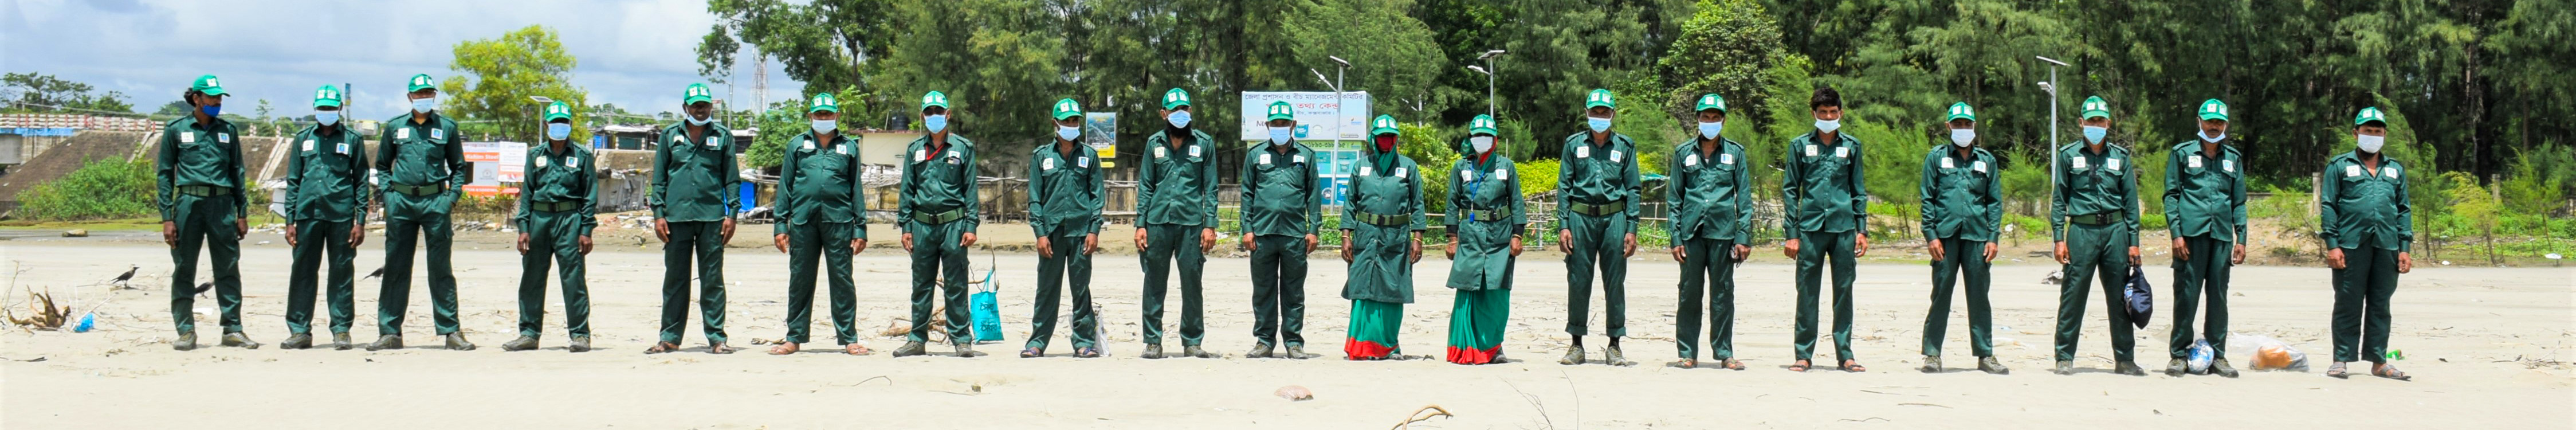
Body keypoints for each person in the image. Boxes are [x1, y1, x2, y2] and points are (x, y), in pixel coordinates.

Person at [369, 74, 473, 351]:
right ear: (409, 97)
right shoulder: (394, 127)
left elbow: (459, 167)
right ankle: (390, 332)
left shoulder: (447, 127)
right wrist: (389, 197)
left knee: (440, 269)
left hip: (435, 203)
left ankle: (451, 331)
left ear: (434, 96)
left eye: (429, 92)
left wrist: (451, 198)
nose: (424, 97)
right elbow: (381, 165)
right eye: (419, 93)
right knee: (396, 267)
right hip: (401, 203)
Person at [2049, 96, 2147, 376]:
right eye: (2091, 120)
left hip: (2116, 231)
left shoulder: (2120, 157)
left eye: (2100, 121)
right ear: (2082, 123)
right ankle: (2064, 356)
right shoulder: (2068, 156)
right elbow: (2059, 199)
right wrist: (2059, 237)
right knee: (2073, 294)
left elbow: (2130, 203)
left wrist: (2134, 243)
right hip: (2081, 231)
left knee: (2119, 297)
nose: (2096, 125)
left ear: (2108, 123)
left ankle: (2125, 359)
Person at [768, 92, 869, 356]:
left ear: (837, 115)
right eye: (819, 114)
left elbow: (856, 188)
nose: (824, 118)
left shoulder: (849, 147)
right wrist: (781, 225)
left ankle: (849, 338)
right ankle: (794, 337)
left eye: (828, 114)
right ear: (810, 116)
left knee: (843, 280)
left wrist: (861, 228)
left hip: (840, 222)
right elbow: (785, 187)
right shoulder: (797, 145)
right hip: (803, 221)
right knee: (800, 280)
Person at [159, 75, 253, 351]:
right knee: (184, 268)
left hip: (223, 205)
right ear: (197, 98)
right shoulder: (176, 129)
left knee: (227, 268)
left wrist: (242, 212)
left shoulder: (228, 130)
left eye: (219, 97)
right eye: (211, 97)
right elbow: (165, 174)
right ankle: (186, 331)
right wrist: (167, 217)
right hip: (189, 203)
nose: (217, 102)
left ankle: (233, 329)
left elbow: (238, 172)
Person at [2319, 107, 2414, 381]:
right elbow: (2328, 205)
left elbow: (2404, 209)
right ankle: (2341, 360)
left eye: (2377, 131)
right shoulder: (2339, 166)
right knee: (2348, 302)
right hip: (2350, 245)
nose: (2372, 136)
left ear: (2385, 134)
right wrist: (2332, 244)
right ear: (2356, 133)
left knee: (2380, 304)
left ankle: (2379, 361)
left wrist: (2405, 248)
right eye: (2367, 131)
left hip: (2387, 245)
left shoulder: (2394, 169)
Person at [646, 83, 741, 354]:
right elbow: (660, 179)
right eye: (696, 105)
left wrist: (732, 214)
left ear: (711, 107)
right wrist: (658, 215)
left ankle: (717, 338)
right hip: (676, 219)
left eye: (705, 105)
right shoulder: (669, 136)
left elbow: (731, 179)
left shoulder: (723, 136)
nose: (701, 109)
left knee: (712, 278)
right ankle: (670, 338)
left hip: (712, 218)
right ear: (685, 107)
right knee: (675, 279)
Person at [1781, 86, 1870, 373]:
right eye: (1823, 112)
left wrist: (1862, 229)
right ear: (1814, 114)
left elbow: (1858, 190)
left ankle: (1845, 354)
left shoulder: (1852, 146)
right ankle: (1804, 354)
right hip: (1810, 230)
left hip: (1844, 229)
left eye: (1833, 112)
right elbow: (1791, 191)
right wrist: (1792, 234)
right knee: (1807, 292)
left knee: (1844, 291)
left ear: (1841, 113)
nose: (1829, 116)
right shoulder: (1799, 146)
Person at [1554, 88, 1642, 366]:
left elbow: (1634, 188)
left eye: (1605, 112)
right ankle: (1576, 344)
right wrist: (1563, 225)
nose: (1600, 116)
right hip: (1580, 218)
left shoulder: (1624, 147)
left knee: (1615, 282)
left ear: (1613, 114)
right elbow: (1564, 187)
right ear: (1586, 113)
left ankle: (1615, 344)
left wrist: (1632, 228)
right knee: (1579, 281)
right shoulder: (1573, 144)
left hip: (1614, 218)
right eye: (1595, 112)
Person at [1918, 102, 2006, 374]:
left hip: (1978, 237)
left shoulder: (1986, 160)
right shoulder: (1936, 157)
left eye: (1967, 124)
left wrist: (1993, 237)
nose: (1963, 129)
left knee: (1980, 296)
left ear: (1974, 126)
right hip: (1945, 238)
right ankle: (1932, 355)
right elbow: (1927, 199)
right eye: (1957, 124)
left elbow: (1994, 202)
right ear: (1949, 127)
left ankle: (1985, 354)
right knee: (1941, 293)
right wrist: (1931, 236)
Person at [502, 101, 598, 353]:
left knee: (574, 279)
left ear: (571, 125)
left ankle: (580, 335)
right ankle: (529, 334)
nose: (559, 127)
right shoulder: (535, 156)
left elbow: (590, 196)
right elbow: (527, 194)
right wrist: (523, 228)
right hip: (539, 221)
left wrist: (586, 230)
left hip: (570, 221)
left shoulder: (583, 156)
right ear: (546, 125)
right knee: (532, 278)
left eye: (564, 122)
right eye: (555, 123)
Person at [2163, 98, 2248, 378]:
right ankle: (2178, 354)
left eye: (2219, 122)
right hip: (2191, 236)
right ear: (2199, 122)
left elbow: (2239, 202)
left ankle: (2217, 355)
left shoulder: (2233, 158)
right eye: (2209, 121)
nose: (2214, 126)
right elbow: (2172, 196)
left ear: (2226, 125)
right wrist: (2177, 234)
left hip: (2221, 236)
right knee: (2186, 295)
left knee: (2219, 297)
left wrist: (2242, 238)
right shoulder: (2182, 153)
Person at [1666, 94, 1752, 370]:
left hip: (1723, 233)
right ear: (1698, 120)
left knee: (1723, 294)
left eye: (1716, 118)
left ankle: (1724, 352)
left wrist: (1743, 236)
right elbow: (1674, 199)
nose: (1711, 122)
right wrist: (1675, 236)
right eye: (1706, 117)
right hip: (1692, 234)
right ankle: (1687, 352)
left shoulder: (1735, 153)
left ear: (1723, 120)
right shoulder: (1683, 154)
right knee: (1689, 293)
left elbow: (1745, 198)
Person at [895, 90, 983, 358]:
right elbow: (907, 190)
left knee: (957, 284)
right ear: (923, 116)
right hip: (922, 226)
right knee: (921, 284)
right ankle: (916, 340)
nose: (934, 116)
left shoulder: (963, 148)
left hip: (954, 225)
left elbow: (971, 189)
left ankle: (961, 340)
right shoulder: (914, 150)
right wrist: (906, 227)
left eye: (939, 111)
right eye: (929, 112)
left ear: (949, 114)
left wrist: (971, 225)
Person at [279, 85, 368, 350]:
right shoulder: (303, 139)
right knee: (303, 272)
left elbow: (361, 181)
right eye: (322, 108)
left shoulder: (352, 140)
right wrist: (289, 221)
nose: (326, 113)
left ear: (340, 109)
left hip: (341, 215)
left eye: (331, 108)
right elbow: (293, 180)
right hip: (307, 215)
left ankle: (341, 329)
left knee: (341, 273)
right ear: (315, 109)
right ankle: (299, 331)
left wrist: (360, 220)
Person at [1133, 88, 1220, 359]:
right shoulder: (1153, 144)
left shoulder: (1204, 143)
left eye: (1185, 109)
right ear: (1164, 114)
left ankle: (1192, 341)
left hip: (1191, 224)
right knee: (1154, 282)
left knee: (1192, 283)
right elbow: (1146, 185)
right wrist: (1140, 224)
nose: (1180, 115)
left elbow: (1211, 187)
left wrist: (1210, 225)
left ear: (1190, 112)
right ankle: (1152, 341)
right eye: (1175, 110)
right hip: (1158, 222)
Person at [1239, 101, 1324, 359]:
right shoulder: (1255, 155)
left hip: (1295, 235)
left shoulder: (1306, 156)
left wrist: (1313, 230)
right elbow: (1247, 194)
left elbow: (1314, 196)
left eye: (1284, 123)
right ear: (1267, 126)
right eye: (1275, 124)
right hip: (1262, 234)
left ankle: (1294, 342)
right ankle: (1264, 341)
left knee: (1294, 291)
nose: (1279, 128)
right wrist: (1247, 228)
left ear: (1293, 125)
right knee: (1263, 290)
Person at [1023, 97, 1105, 358]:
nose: (1072, 125)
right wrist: (1040, 233)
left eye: (1075, 120)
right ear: (1055, 123)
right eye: (1067, 121)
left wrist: (1094, 230)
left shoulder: (1089, 156)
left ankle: (1083, 342)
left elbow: (1097, 197)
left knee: (1081, 289)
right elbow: (1035, 198)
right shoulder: (1041, 157)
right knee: (1047, 288)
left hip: (1081, 233)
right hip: (1052, 233)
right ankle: (1037, 342)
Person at [1443, 115, 1523, 365]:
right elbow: (1452, 204)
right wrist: (1452, 237)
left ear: (1495, 139)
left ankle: (1494, 347)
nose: (1482, 141)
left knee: (1497, 294)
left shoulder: (1506, 167)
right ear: (1471, 139)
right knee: (1469, 289)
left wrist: (1517, 235)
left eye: (1486, 137)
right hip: (1470, 236)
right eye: (1477, 136)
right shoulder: (1461, 168)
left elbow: (1517, 203)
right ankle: (1466, 347)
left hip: (1500, 237)